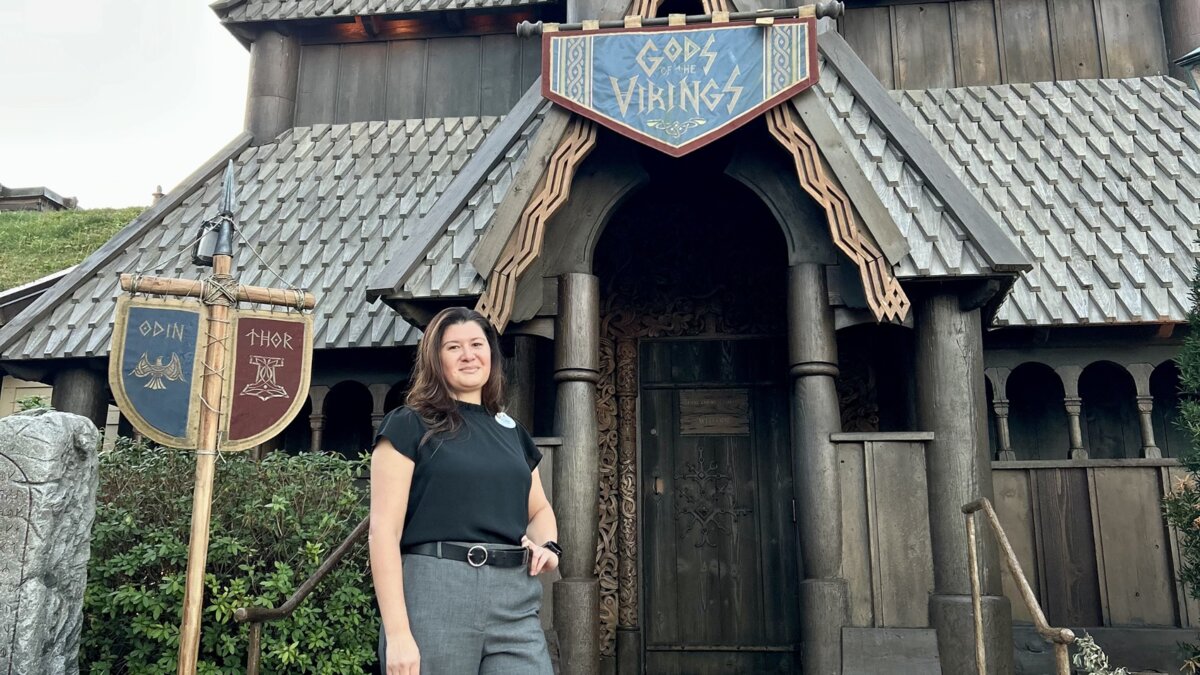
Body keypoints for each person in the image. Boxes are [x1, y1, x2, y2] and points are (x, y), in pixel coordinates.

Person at [369, 306, 560, 675]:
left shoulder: (513, 433)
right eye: (453, 347)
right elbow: (383, 532)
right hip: (436, 592)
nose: (468, 355)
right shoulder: (408, 425)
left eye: (476, 344)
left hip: (515, 598)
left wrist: (548, 546)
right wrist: (398, 634)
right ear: (435, 359)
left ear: (491, 354)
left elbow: (538, 510)